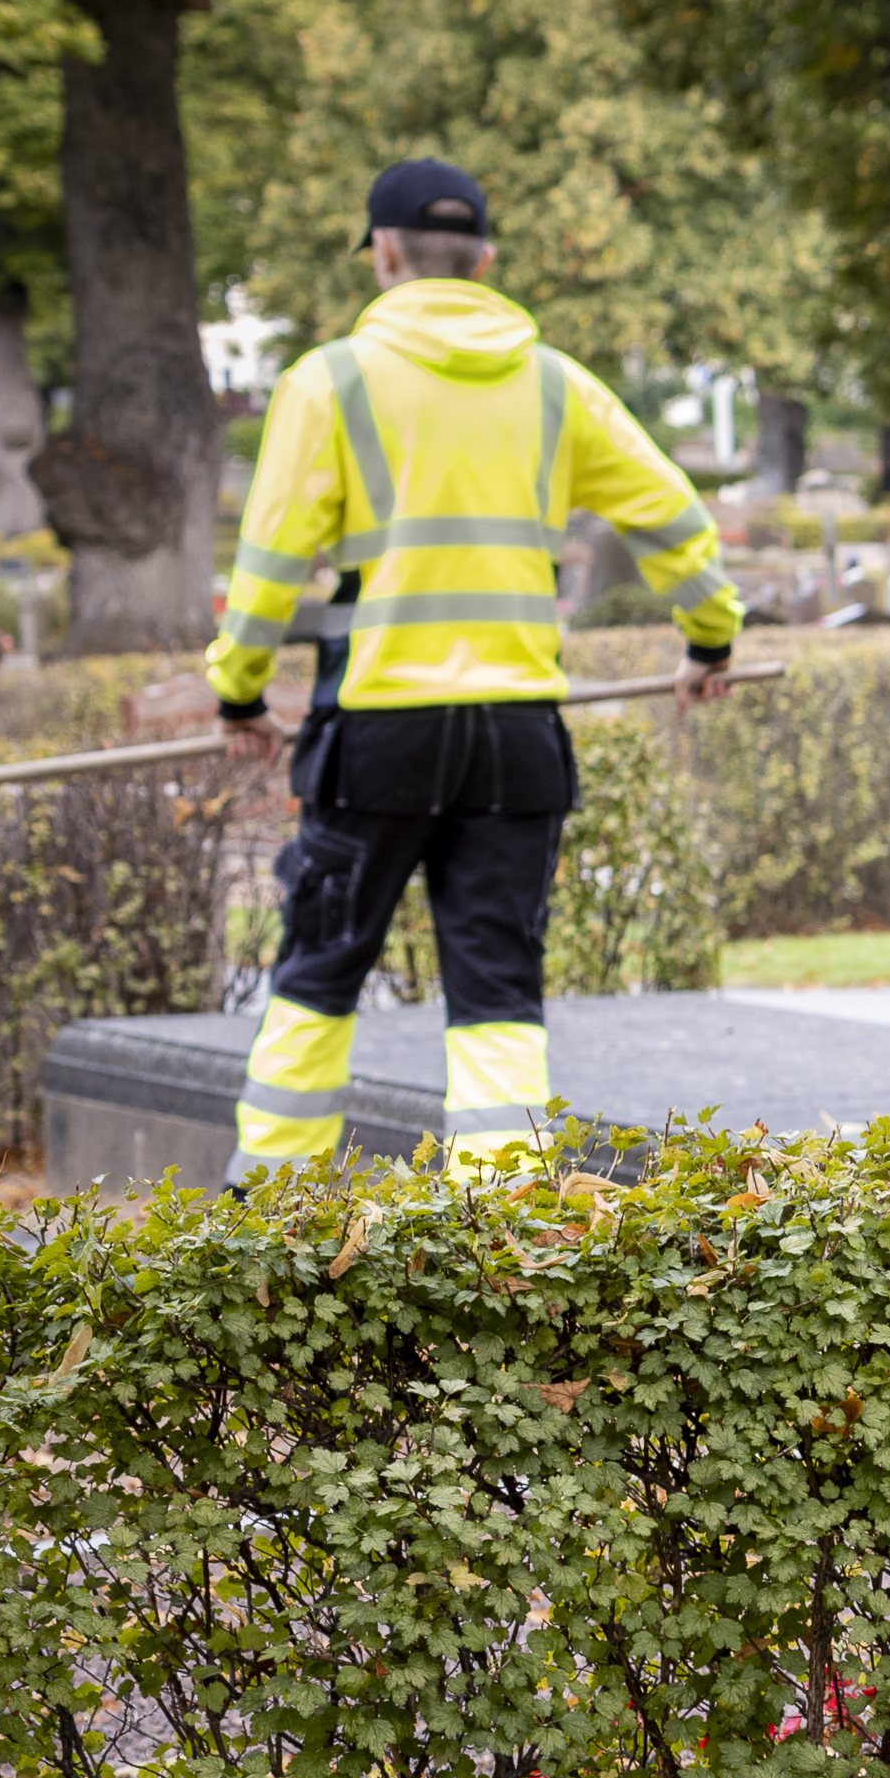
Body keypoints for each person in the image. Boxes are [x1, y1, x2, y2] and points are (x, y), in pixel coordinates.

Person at [208, 159, 743, 1177]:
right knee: (497, 983)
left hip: (377, 733)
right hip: (514, 737)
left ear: (384, 252)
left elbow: (267, 568)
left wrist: (238, 691)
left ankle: (270, 1213)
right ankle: (496, 1230)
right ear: (486, 261)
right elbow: (677, 517)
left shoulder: (329, 382)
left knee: (320, 966)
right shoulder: (556, 384)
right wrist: (709, 640)